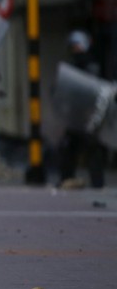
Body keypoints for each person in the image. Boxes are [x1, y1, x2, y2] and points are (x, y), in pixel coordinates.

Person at [58, 30, 109, 189]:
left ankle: (97, 182)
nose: (76, 50)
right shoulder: (75, 64)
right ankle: (69, 178)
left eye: (77, 46)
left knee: (91, 148)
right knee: (70, 146)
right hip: (77, 113)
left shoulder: (91, 64)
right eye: (73, 47)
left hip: (89, 112)